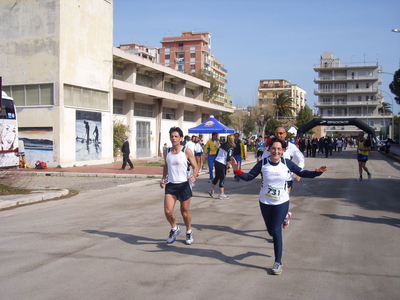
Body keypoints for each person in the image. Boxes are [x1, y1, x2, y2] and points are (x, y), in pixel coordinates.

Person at [231, 138, 327, 275]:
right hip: (265, 202)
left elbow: (302, 173)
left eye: (278, 149)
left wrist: (317, 172)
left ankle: (278, 262)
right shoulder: (263, 163)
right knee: (270, 231)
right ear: (269, 150)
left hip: (281, 201)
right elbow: (249, 177)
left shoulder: (287, 163)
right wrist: (237, 170)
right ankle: (286, 218)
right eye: (273, 148)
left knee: (276, 232)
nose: (276, 151)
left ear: (283, 151)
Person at [160, 127, 198, 245]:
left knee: (184, 212)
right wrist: (163, 177)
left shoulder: (186, 151)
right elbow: (166, 166)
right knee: (167, 211)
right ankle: (174, 228)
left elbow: (195, 166)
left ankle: (188, 231)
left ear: (181, 138)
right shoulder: (167, 152)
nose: (174, 138)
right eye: (172, 136)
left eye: (176, 136)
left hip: (184, 185)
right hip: (171, 184)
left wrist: (194, 176)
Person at [261, 127, 305, 228]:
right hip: (271, 180)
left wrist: (299, 172)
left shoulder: (291, 146)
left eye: (281, 133)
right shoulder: (270, 147)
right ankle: (285, 216)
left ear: (285, 134)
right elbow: (263, 160)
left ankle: (278, 226)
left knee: (282, 200)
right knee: (273, 202)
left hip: (287, 179)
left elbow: (300, 159)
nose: (279, 134)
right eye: (277, 132)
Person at [207, 134, 235, 199]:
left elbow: (217, 153)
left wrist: (215, 161)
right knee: (222, 178)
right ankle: (222, 194)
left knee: (217, 177)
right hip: (222, 163)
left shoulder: (221, 145)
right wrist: (228, 167)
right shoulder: (231, 148)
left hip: (217, 161)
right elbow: (228, 158)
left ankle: (211, 190)